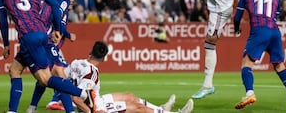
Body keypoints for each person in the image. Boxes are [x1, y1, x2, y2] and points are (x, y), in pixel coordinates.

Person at [0, 0, 94, 113]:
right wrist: (59, 29)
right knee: (14, 70)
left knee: (46, 79)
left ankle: (84, 94)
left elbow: (2, 19)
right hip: (41, 33)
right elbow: (54, 4)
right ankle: (14, 111)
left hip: (28, 36)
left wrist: (6, 44)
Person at [66, 41, 194, 113]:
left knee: (129, 96)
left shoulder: (77, 62)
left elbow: (63, 77)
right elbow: (77, 98)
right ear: (104, 58)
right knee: (139, 109)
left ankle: (161, 109)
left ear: (91, 51)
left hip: (96, 100)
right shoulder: (91, 74)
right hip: (97, 109)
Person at [26, 0, 77, 113]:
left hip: (36, 36)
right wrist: (62, 32)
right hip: (47, 40)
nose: (71, 0)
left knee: (45, 76)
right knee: (61, 76)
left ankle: (32, 107)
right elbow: (58, 16)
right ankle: (69, 108)